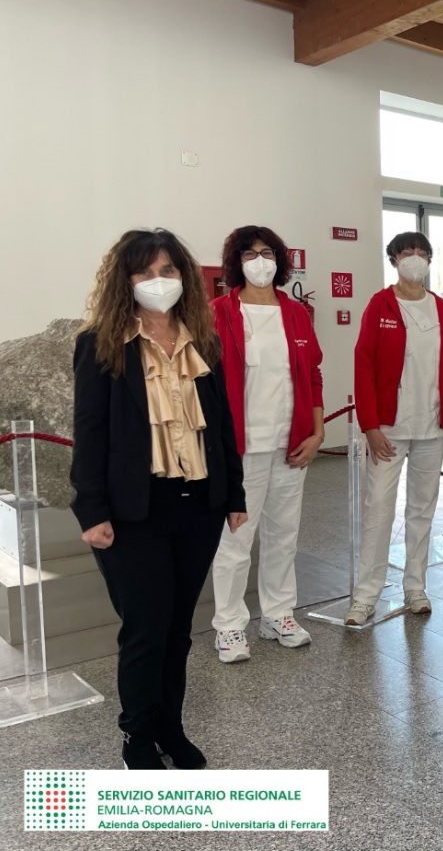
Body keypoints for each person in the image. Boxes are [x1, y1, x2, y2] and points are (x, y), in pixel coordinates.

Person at [70, 229, 246, 770]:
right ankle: (137, 737)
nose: (158, 282)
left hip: (198, 506)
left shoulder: (203, 339)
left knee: (177, 629)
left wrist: (233, 493)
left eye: (169, 271)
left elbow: (220, 427)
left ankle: (171, 727)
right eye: (145, 272)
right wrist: (92, 509)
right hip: (133, 511)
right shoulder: (100, 342)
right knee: (145, 628)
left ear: (184, 278)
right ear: (124, 279)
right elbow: (91, 431)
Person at [210, 225, 324, 663]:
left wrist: (316, 431)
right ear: (235, 262)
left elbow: (312, 374)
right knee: (236, 540)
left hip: (291, 443)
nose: (261, 261)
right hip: (241, 447)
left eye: (268, 253)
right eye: (250, 254)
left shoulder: (295, 313)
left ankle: (277, 614)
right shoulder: (218, 311)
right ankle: (229, 625)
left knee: (283, 536)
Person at [348, 232, 443, 627]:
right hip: (388, 427)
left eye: (421, 253)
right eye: (406, 254)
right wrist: (369, 424)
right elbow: (363, 364)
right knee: (379, 510)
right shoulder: (379, 305)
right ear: (394, 260)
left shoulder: (441, 309)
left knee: (422, 510)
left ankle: (415, 586)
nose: (414, 259)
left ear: (430, 260)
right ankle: (365, 596)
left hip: (432, 426)